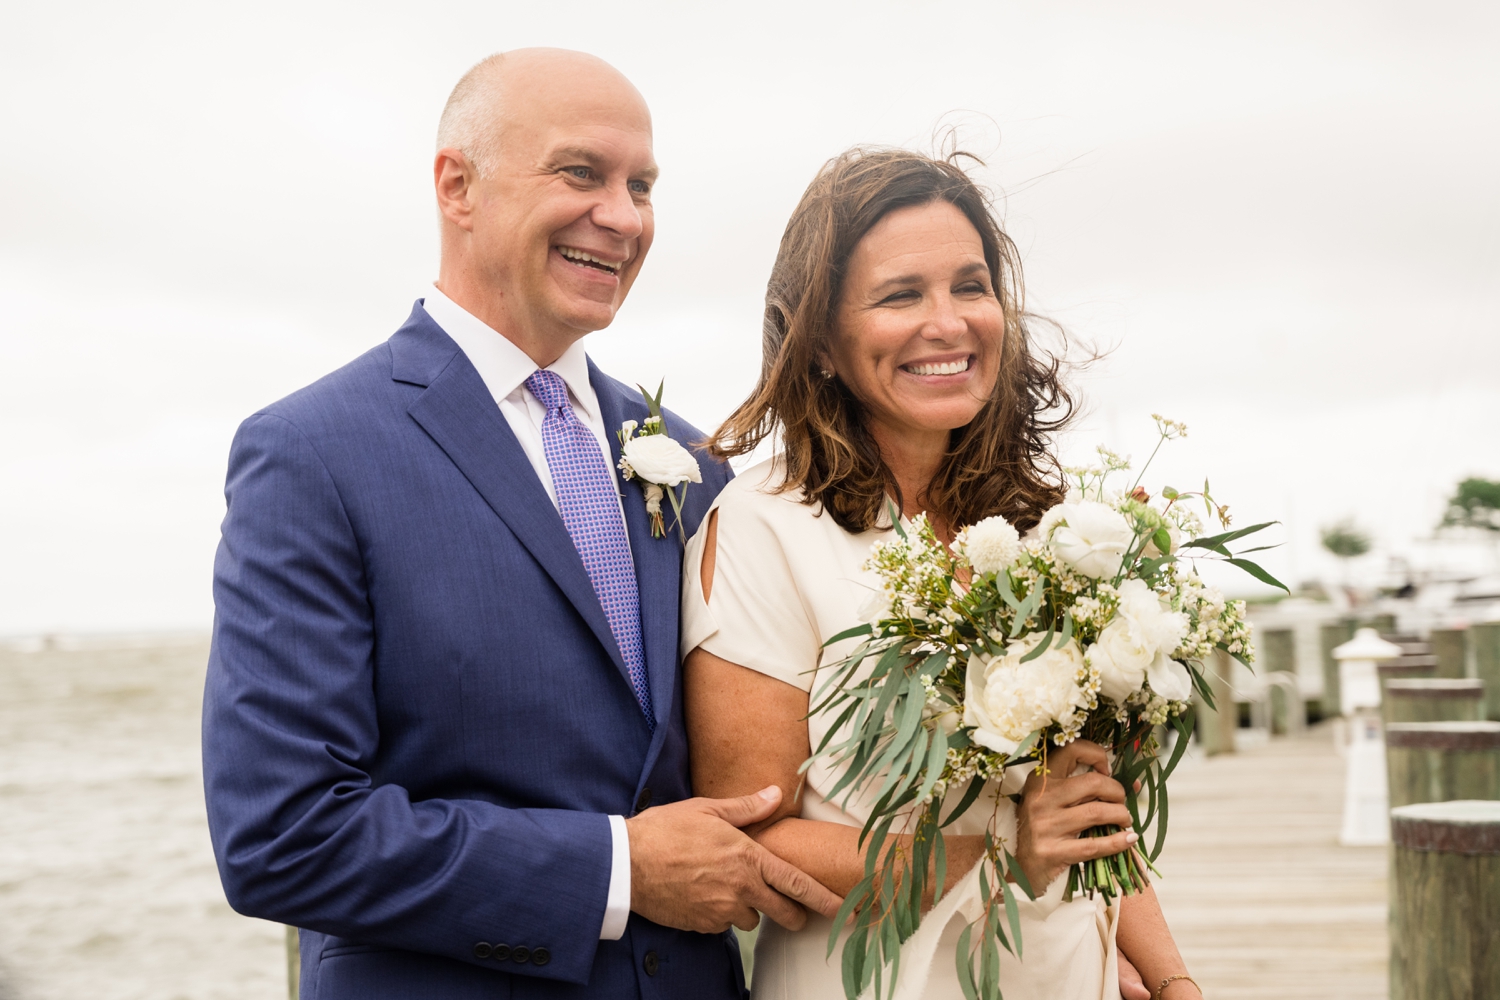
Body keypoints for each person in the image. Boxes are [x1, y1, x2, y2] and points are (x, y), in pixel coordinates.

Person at [202, 49, 839, 1000]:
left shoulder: (701, 466)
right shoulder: (313, 454)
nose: (623, 217)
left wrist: (1053, 902)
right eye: (580, 173)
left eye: (642, 186)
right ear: (457, 185)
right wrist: (616, 871)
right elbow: (283, 834)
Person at [681, 148, 1202, 1000]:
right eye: (900, 295)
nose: (950, 322)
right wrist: (1000, 855)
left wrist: (1173, 979)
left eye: (970, 286)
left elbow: (1087, 806)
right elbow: (757, 835)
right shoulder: (765, 527)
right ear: (817, 342)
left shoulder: (1049, 526)